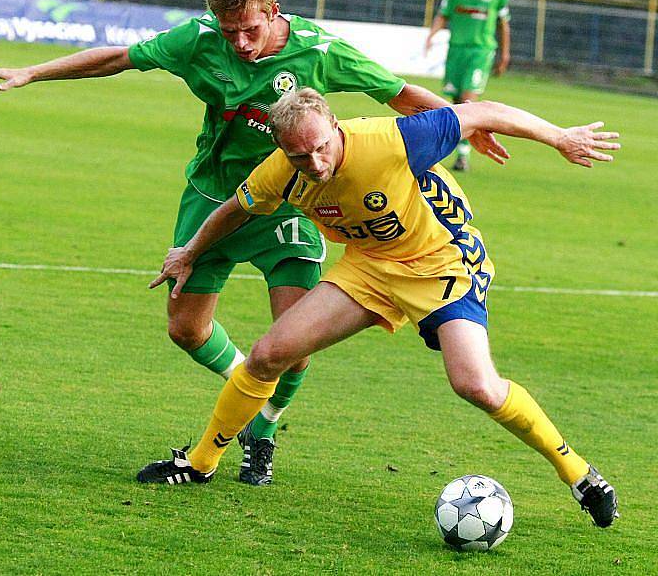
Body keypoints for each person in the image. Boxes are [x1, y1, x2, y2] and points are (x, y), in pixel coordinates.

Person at [0, 0, 508, 487]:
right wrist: (35, 71)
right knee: (186, 329)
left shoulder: (319, 51)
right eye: (231, 33)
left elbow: (397, 93)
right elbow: (120, 58)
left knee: (293, 341)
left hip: (291, 205)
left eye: (250, 30)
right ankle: (247, 395)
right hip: (213, 198)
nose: (241, 44)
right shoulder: (200, 39)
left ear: (274, 11)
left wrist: (466, 126)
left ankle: (265, 431)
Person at [140, 88, 620, 529]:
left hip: (439, 263)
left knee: (476, 385)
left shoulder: (391, 140)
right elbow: (235, 208)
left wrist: (560, 137)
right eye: (299, 155)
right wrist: (189, 253)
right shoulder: (282, 171)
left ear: (335, 125)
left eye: (321, 147)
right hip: (368, 267)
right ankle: (200, 462)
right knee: (269, 354)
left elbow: (485, 112)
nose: (314, 162)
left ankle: (580, 475)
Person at [425, 0, 511, 172]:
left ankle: (463, 155)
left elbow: (503, 25)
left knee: (467, 102)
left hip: (480, 52)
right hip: (456, 50)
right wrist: (431, 36)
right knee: (454, 103)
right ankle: (459, 148)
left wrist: (504, 53)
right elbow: (443, 15)